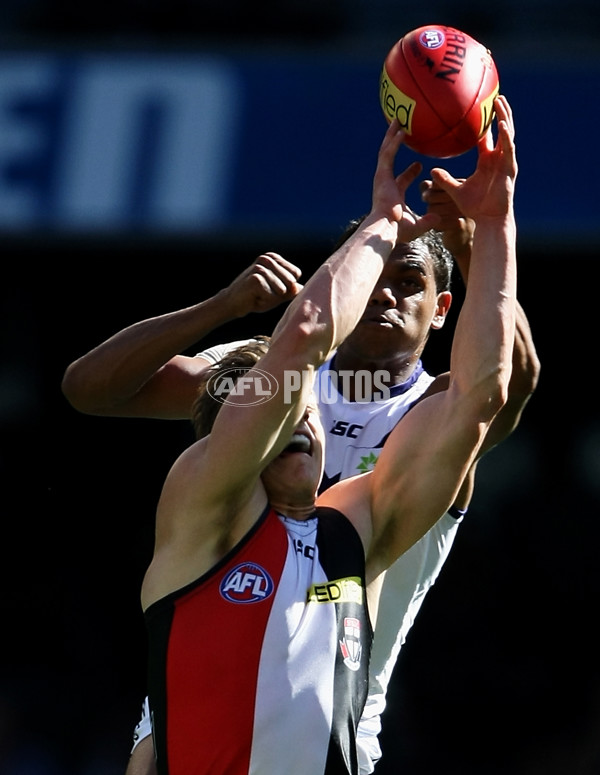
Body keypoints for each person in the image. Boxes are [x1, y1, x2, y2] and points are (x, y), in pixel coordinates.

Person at [62, 97, 536, 774]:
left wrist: (493, 228)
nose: (385, 298)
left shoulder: (381, 477)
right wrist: (228, 306)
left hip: (344, 701)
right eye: (376, 277)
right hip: (200, 687)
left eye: (410, 282)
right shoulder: (265, 385)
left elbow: (499, 385)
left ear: (442, 311)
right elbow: (94, 387)